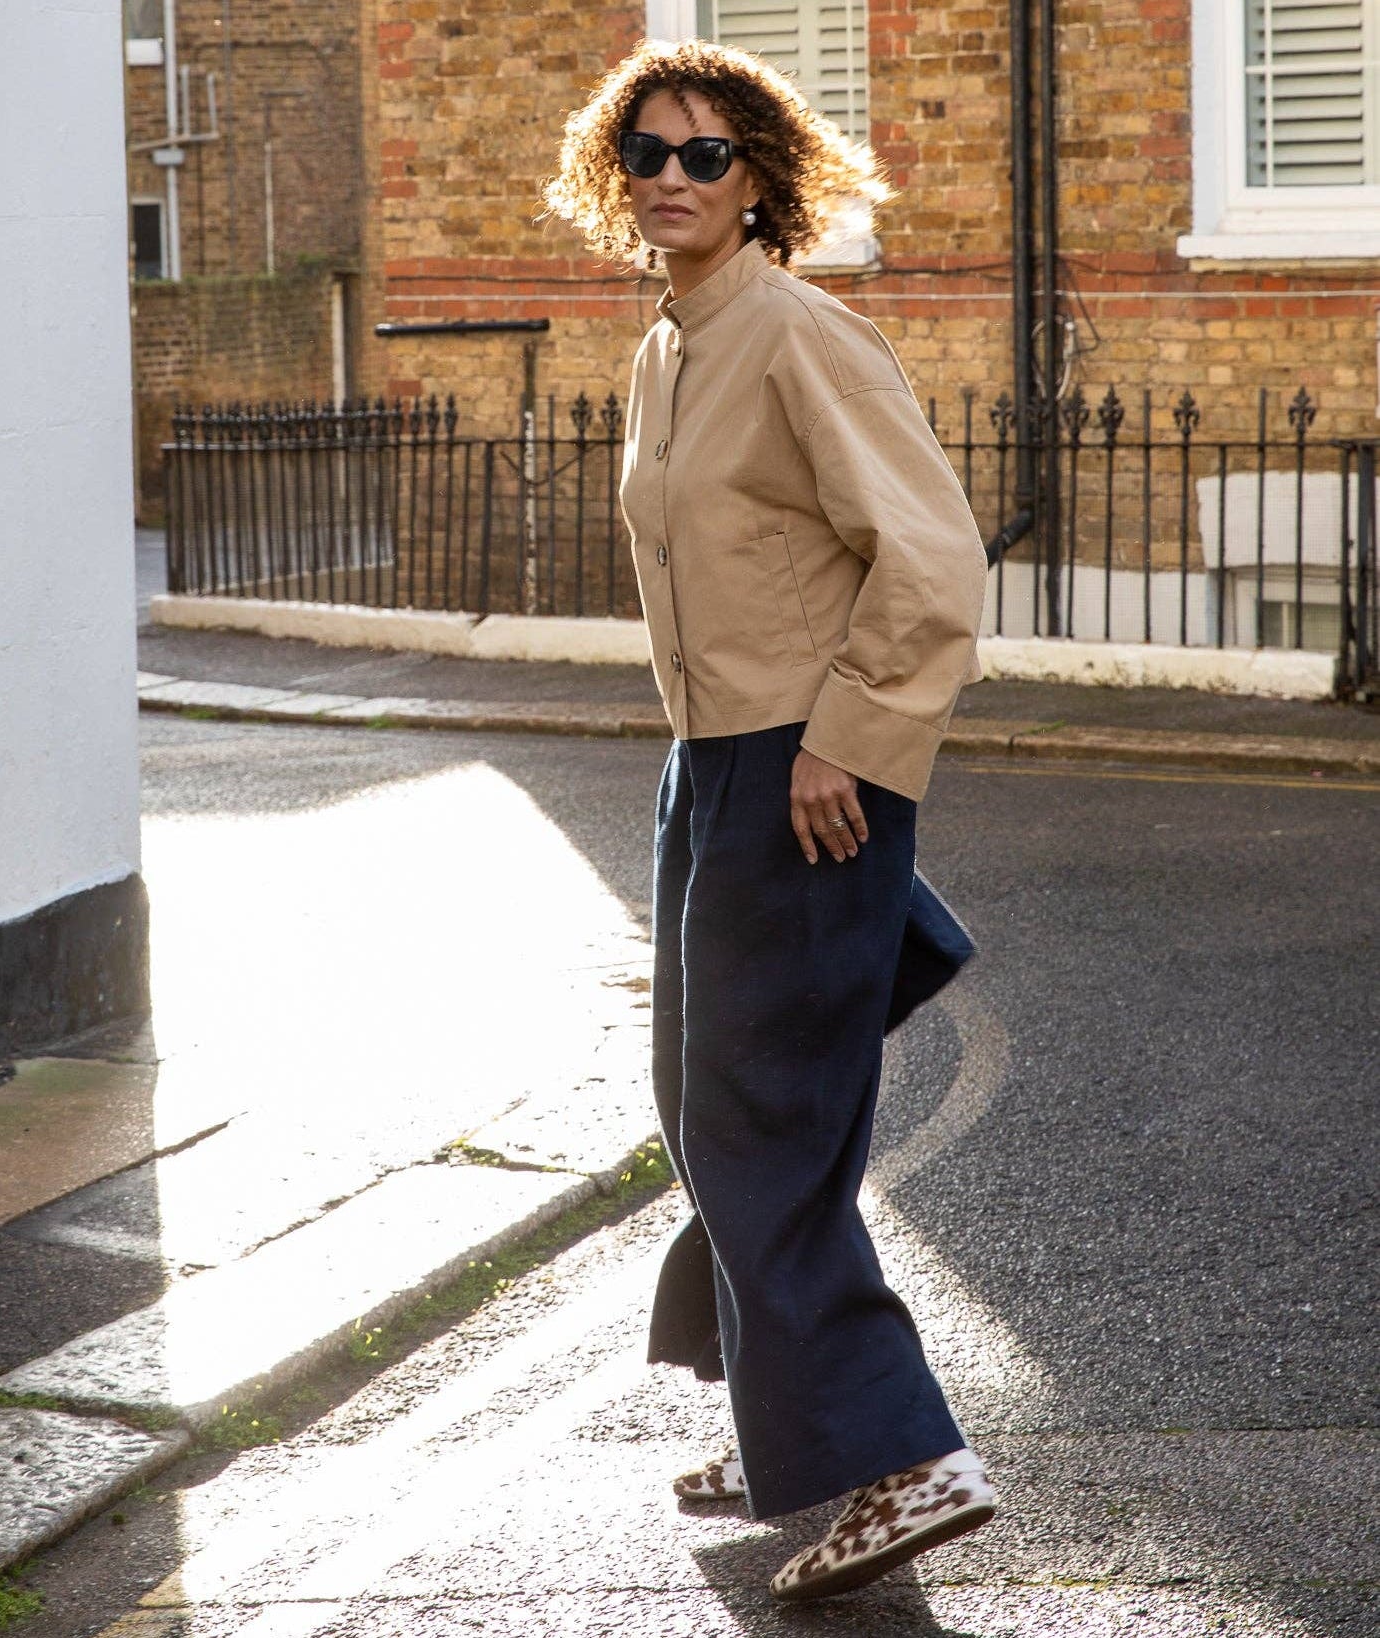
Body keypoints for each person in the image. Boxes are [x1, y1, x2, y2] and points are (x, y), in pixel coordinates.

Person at [543, 38, 996, 1602]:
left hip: (805, 774)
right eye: (646, 152)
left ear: (760, 181)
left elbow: (931, 560)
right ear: (616, 174)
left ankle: (904, 1455)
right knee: (710, 1097)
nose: (671, 177)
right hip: (712, 768)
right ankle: (788, 1419)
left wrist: (843, 741)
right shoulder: (670, 347)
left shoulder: (801, 333)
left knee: (758, 1118)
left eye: (706, 154)